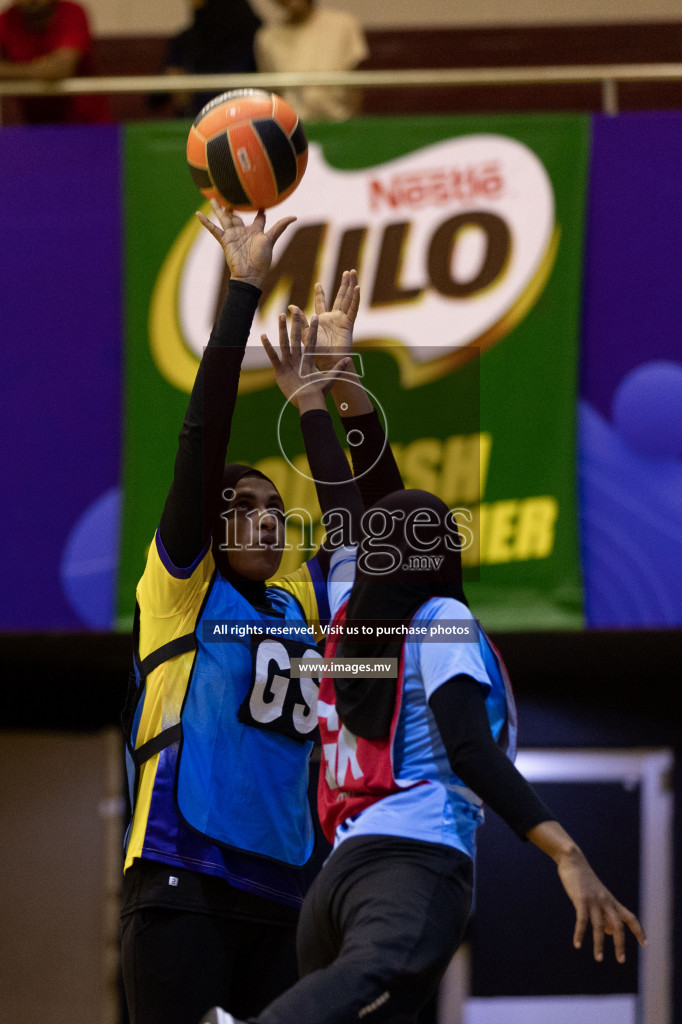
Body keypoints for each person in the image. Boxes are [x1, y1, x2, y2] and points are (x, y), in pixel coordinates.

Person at [199, 319, 647, 1024]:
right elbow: (468, 749)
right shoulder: (439, 618)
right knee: (374, 977)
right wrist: (567, 853)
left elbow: (349, 504)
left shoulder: (354, 617)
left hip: (336, 880)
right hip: (412, 858)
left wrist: (323, 397)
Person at [120, 202, 404, 1024]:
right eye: (242, 504)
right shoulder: (182, 589)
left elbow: (357, 528)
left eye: (276, 507)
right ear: (210, 523)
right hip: (184, 875)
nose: (264, 516)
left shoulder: (303, 601)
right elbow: (201, 440)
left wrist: (324, 393)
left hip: (286, 889)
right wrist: (244, 288)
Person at [254, 0, 368, 122]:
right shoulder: (267, 37)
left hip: (339, 122)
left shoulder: (344, 24)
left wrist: (353, 125)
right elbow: (270, 92)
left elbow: (356, 85)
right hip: (290, 128)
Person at [0, 0, 110, 123]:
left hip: (88, 125)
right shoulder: (6, 20)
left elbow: (60, 69)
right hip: (37, 127)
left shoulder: (72, 13)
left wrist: (10, 71)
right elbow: (51, 71)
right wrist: (38, 69)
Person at [153, 0, 262, 118]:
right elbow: (155, 97)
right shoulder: (186, 40)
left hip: (247, 122)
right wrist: (173, 81)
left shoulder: (258, 38)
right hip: (195, 124)